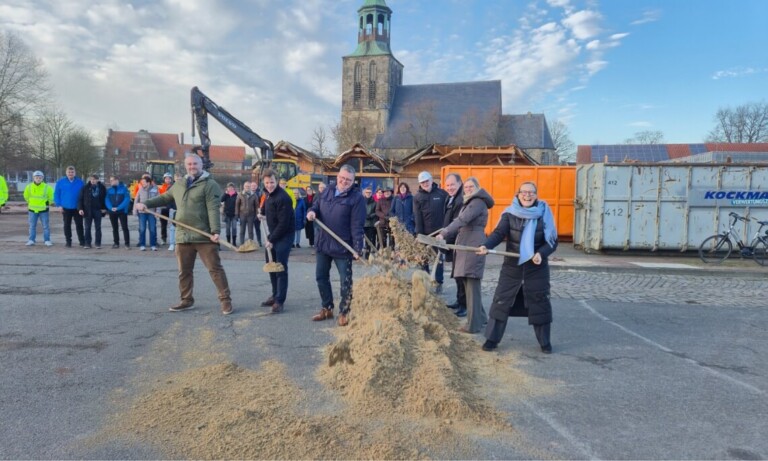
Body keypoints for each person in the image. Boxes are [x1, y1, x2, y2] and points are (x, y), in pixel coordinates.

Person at [135, 153, 233, 315]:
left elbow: (213, 209)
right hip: (183, 235)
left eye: (195, 164)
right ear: (185, 166)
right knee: (184, 271)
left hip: (204, 235)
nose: (192, 167)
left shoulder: (210, 184)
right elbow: (164, 197)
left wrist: (215, 231)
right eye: (189, 164)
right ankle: (186, 300)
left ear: (201, 165)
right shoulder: (179, 184)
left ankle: (225, 300)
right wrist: (145, 203)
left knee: (215, 269)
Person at [478, 181, 558, 354]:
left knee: (540, 303)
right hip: (512, 268)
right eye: (524, 192)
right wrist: (486, 246)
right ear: (518, 194)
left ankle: (545, 342)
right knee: (501, 301)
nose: (527, 195)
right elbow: (498, 234)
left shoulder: (544, 213)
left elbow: (552, 241)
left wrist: (541, 254)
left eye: (531, 192)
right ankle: (492, 340)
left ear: (536, 195)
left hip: (536, 268)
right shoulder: (509, 213)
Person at [307, 165, 366, 327]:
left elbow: (357, 225)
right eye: (342, 178)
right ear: (337, 176)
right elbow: (316, 206)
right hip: (324, 243)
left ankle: (344, 312)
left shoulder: (357, 199)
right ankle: (327, 308)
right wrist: (312, 212)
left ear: (353, 181)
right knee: (321, 277)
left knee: (345, 281)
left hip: (343, 246)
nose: (344, 181)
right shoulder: (328, 190)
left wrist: (357, 248)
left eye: (348, 180)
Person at [437, 177, 494, 333]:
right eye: (466, 187)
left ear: (477, 188)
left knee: (471, 282)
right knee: (468, 283)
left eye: (471, 187)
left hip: (473, 244)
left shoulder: (477, 202)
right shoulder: (470, 202)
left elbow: (462, 219)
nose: (468, 189)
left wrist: (445, 232)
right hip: (467, 242)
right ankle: (481, 317)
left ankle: (473, 324)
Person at [258, 169, 295, 313]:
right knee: (271, 265)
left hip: (284, 236)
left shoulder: (283, 198)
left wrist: (271, 240)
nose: (269, 185)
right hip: (273, 235)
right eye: (267, 183)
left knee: (280, 268)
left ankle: (280, 301)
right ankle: (274, 295)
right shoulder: (268, 195)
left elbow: (283, 224)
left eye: (272, 182)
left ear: (277, 181)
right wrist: (261, 212)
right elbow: (267, 208)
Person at [413, 171, 448, 291]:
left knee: (439, 258)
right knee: (424, 257)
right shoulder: (418, 197)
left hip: (440, 233)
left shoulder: (442, 194)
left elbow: (448, 212)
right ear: (420, 184)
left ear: (431, 180)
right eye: (422, 182)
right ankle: (425, 280)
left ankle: (438, 282)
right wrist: (419, 234)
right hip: (425, 233)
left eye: (426, 181)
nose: (425, 184)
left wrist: (445, 231)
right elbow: (417, 216)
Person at [442, 173, 466, 316]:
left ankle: (464, 305)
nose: (450, 187)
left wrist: (447, 235)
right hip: (450, 240)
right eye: (448, 185)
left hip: (458, 241)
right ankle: (459, 301)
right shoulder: (450, 198)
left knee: (461, 275)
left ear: (459, 183)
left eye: (453, 185)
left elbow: (457, 222)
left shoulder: (461, 199)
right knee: (456, 274)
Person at [54, 165, 85, 248]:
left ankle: (82, 241)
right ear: (66, 173)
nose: (70, 173)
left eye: (72, 172)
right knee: (67, 225)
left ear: (75, 173)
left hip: (77, 208)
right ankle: (68, 241)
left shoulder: (80, 182)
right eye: (69, 172)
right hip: (65, 208)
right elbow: (56, 194)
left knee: (79, 225)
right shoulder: (60, 182)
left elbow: (84, 195)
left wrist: (82, 207)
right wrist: (59, 205)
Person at [23, 171, 54, 246]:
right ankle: (31, 240)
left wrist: (47, 203)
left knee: (45, 226)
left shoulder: (47, 187)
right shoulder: (29, 187)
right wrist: (30, 202)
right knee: (32, 226)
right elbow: (26, 196)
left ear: (42, 178)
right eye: (36, 177)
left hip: (44, 210)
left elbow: (52, 197)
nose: (38, 179)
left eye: (40, 177)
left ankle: (47, 240)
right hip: (32, 210)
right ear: (33, 178)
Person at [77, 174, 107, 249]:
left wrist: (104, 208)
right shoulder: (85, 188)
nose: (93, 181)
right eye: (92, 179)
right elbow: (80, 199)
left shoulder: (102, 188)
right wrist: (80, 209)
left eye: (95, 179)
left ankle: (98, 243)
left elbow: (105, 199)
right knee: (87, 227)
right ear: (90, 180)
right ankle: (87, 243)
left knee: (98, 227)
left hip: (98, 210)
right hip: (87, 210)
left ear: (98, 180)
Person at [105, 175, 131, 249]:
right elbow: (106, 200)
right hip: (112, 211)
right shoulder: (109, 190)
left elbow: (127, 200)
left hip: (122, 211)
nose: (111, 182)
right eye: (110, 181)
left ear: (117, 180)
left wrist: (118, 208)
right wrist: (110, 207)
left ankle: (127, 244)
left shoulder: (124, 189)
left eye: (112, 180)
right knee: (115, 228)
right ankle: (116, 243)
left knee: (124, 227)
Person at [134, 175, 159, 251]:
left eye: (144, 182)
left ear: (148, 182)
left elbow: (159, 200)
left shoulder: (155, 189)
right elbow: (136, 200)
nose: (142, 183)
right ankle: (142, 245)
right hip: (142, 213)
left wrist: (158, 211)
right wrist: (135, 210)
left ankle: (153, 245)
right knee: (142, 229)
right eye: (142, 182)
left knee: (152, 229)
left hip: (152, 212)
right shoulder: (140, 190)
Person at [236, 181, 258, 246]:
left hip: (251, 215)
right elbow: (237, 205)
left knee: (250, 231)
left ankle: (251, 244)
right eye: (246, 186)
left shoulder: (254, 195)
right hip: (242, 214)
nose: (247, 187)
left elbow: (257, 206)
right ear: (244, 187)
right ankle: (242, 244)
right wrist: (236, 214)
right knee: (242, 231)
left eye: (248, 186)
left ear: (250, 187)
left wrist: (257, 214)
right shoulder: (240, 194)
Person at [158, 173, 174, 245]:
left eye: (169, 178)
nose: (168, 180)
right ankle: (163, 239)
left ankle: (173, 240)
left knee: (173, 225)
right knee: (163, 225)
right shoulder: (161, 188)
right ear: (164, 179)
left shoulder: (173, 187)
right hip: (163, 208)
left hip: (171, 208)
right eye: (166, 179)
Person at [220, 182, 238, 247]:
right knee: (227, 229)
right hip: (227, 214)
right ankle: (228, 242)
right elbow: (221, 200)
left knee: (234, 228)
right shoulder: (226, 195)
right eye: (229, 187)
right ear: (227, 188)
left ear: (233, 188)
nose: (230, 188)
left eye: (231, 187)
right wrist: (225, 193)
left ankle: (234, 242)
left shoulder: (236, 195)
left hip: (234, 215)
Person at [362, 187, 377, 258]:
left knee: (369, 239)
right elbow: (358, 210)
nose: (368, 194)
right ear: (364, 193)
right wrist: (364, 215)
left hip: (370, 223)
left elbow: (376, 211)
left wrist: (370, 216)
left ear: (371, 193)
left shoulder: (374, 202)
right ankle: (359, 252)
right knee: (360, 239)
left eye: (369, 192)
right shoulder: (361, 201)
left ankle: (367, 254)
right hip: (362, 223)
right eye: (367, 192)